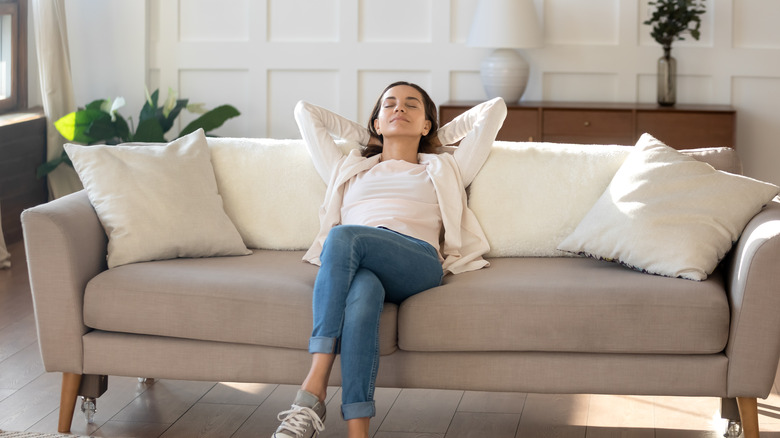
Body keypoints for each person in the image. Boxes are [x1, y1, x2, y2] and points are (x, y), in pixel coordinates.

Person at [273, 82, 507, 438]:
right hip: (359, 263)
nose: (400, 109)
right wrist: (374, 133)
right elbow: (306, 111)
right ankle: (358, 433)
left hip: (416, 261)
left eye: (412, 106)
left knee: (342, 235)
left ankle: (314, 385)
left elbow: (495, 109)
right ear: (376, 122)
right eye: (390, 105)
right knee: (363, 293)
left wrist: (431, 134)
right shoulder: (349, 168)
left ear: (426, 124)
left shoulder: (445, 168)